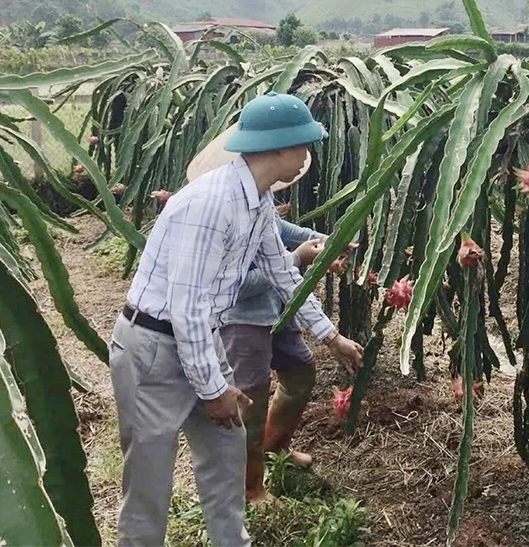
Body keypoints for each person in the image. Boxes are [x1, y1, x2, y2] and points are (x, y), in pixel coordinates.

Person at [110, 91, 364, 546]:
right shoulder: (210, 205)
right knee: (149, 476)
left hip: (200, 339)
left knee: (226, 454)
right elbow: (186, 308)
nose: (308, 156)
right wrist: (213, 390)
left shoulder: (257, 201)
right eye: (305, 145)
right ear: (281, 148)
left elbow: (283, 274)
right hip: (154, 349)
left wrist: (331, 337)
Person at [219, 215, 332, 503]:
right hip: (242, 320)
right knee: (250, 404)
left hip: (278, 311)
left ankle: (274, 449)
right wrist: (296, 259)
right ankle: (250, 488)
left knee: (300, 372)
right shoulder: (224, 217)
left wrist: (332, 244)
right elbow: (238, 286)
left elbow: (288, 231)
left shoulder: (259, 203)